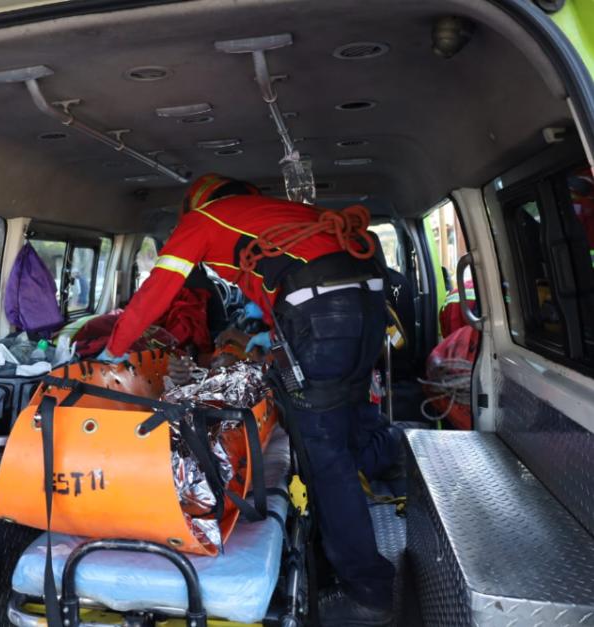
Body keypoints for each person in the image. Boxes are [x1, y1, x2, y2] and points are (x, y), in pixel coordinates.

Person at [98, 172, 398, 624]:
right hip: (368, 304)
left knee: (324, 457)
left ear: (195, 203)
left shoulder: (201, 221)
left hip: (320, 311)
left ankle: (367, 591)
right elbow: (282, 282)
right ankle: (379, 476)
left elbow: (157, 290)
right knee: (350, 421)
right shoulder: (279, 216)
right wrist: (273, 340)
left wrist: (114, 349)